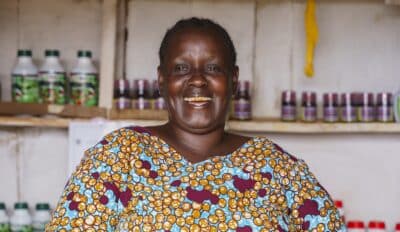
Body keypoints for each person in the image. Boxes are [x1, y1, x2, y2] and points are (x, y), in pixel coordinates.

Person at [47, 17, 345, 231]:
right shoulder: (117, 157)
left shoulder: (279, 168)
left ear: (233, 81)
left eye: (213, 68)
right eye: (181, 68)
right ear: (162, 81)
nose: (198, 79)